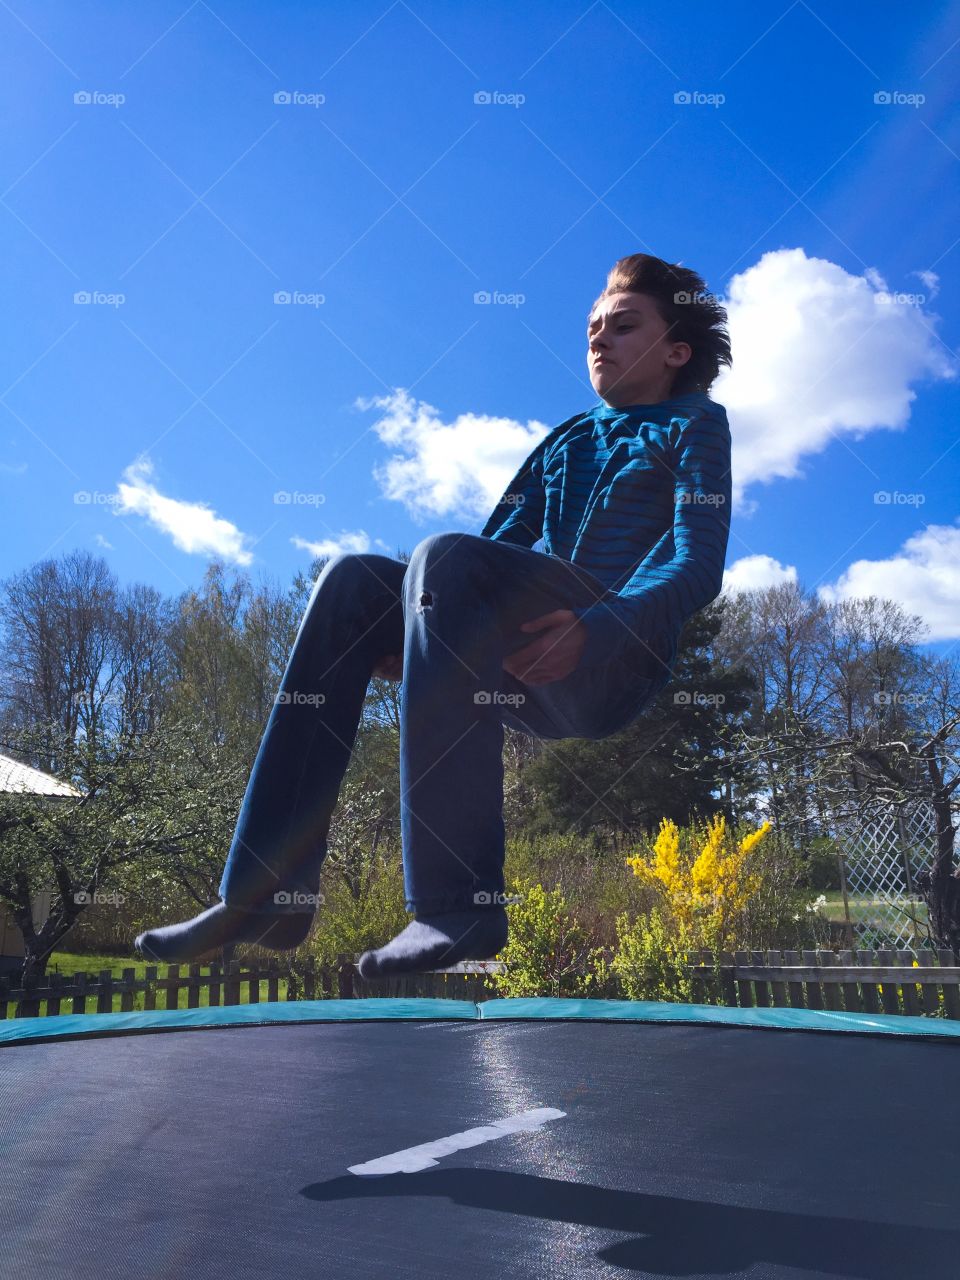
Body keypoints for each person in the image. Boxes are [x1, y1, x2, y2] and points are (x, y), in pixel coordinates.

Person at [134, 252, 733, 977]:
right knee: (355, 583)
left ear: (677, 349)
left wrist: (597, 628)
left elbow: (696, 564)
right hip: (521, 667)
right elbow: (491, 554)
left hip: (612, 662)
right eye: (591, 329)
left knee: (445, 556)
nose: (599, 340)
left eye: (624, 325)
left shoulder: (694, 425)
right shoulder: (564, 442)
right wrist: (420, 628)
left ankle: (459, 904)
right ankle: (267, 894)